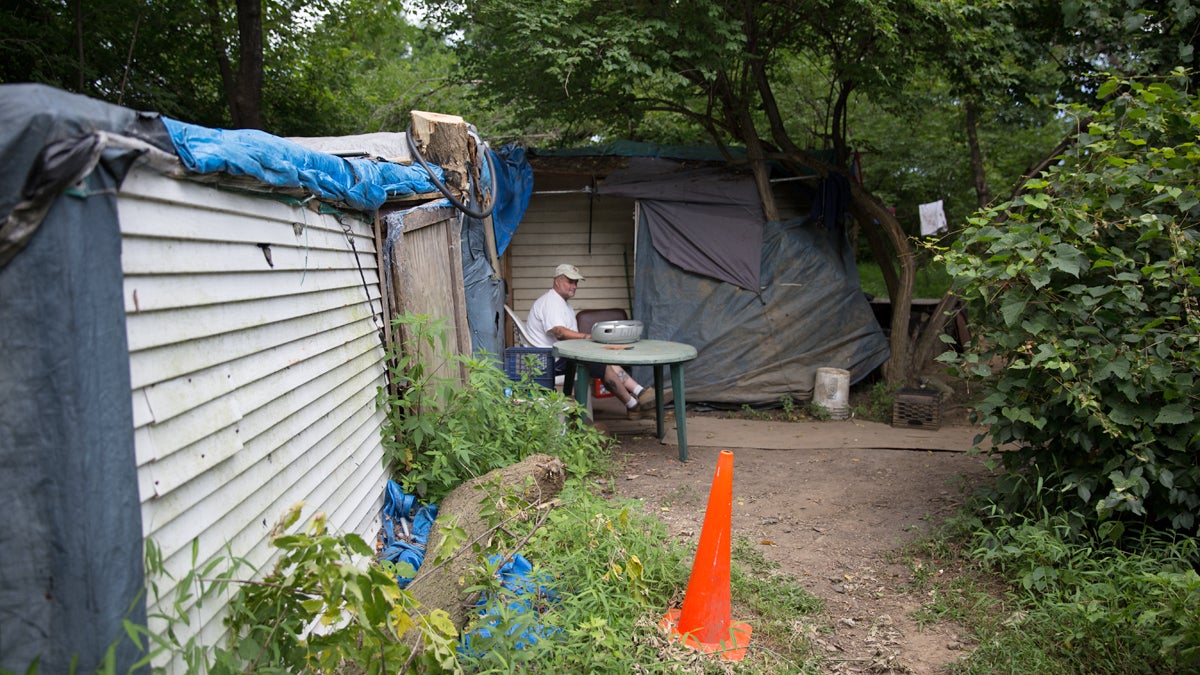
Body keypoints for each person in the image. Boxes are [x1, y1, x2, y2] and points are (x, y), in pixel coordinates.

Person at [526, 263, 655, 418]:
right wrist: (588, 337)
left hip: (558, 356)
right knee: (601, 363)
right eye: (570, 281)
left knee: (603, 357)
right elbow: (559, 332)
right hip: (548, 362)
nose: (574, 286)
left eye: (576, 282)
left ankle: (640, 393)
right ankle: (634, 406)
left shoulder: (562, 303)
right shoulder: (551, 302)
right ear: (557, 281)